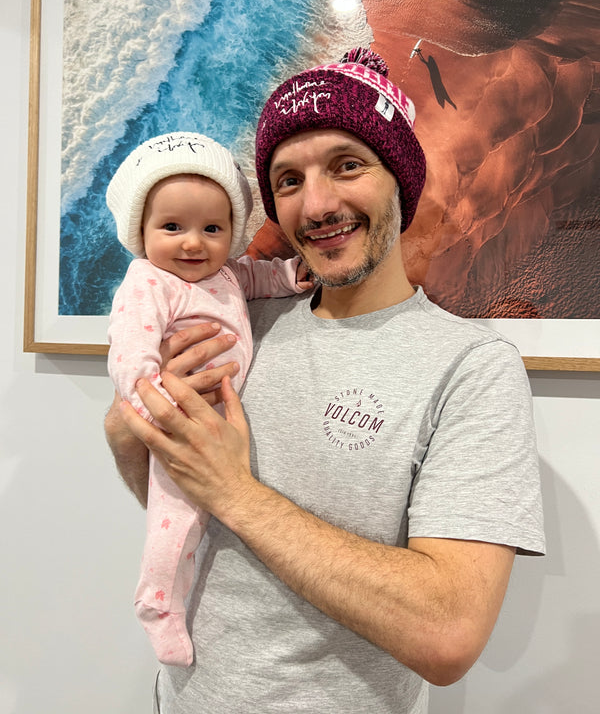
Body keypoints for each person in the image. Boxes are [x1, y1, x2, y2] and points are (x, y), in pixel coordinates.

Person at [105, 49, 545, 713]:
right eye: (287, 181)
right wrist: (126, 426)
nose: (316, 204)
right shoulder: (237, 322)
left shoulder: (472, 368)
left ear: (399, 178)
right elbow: (183, 496)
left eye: (347, 165)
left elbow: (449, 633)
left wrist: (236, 492)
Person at [105, 131, 312, 667]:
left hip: (214, 418)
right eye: (172, 227)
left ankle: (171, 598)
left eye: (212, 229)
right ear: (141, 231)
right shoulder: (149, 282)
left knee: (195, 518)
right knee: (175, 517)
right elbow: (131, 349)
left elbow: (262, 277)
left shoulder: (226, 274)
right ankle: (158, 603)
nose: (193, 244)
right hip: (176, 419)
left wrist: (293, 274)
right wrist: (149, 401)